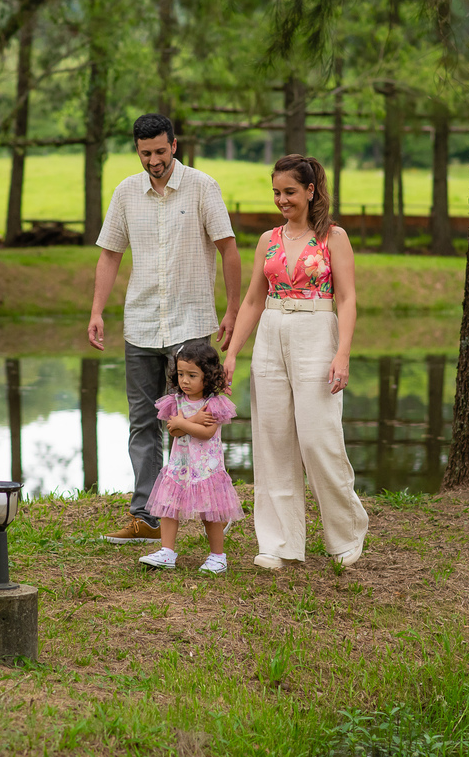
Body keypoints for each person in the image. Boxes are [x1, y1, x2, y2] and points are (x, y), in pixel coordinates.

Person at [89, 113, 241, 544]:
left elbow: (228, 249)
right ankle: (146, 516)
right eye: (145, 153)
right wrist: (97, 311)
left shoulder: (202, 187)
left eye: (159, 151)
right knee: (142, 421)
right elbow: (109, 255)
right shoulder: (125, 193)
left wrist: (231, 309)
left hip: (189, 324)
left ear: (174, 144)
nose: (153, 160)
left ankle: (209, 510)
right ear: (136, 150)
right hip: (140, 324)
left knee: (196, 417)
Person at [222, 154, 368, 569]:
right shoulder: (268, 240)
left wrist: (343, 352)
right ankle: (280, 543)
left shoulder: (333, 238)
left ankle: (346, 533)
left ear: (310, 190)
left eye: (289, 192)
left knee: (318, 439)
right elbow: (252, 300)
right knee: (272, 440)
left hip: (316, 332)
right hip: (271, 332)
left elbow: (348, 298)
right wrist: (233, 353)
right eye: (276, 193)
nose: (281, 200)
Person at [137, 342, 243, 574]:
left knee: (211, 514)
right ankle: (167, 552)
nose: (185, 380)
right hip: (179, 467)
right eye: (181, 374)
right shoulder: (175, 401)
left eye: (192, 375)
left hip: (206, 469)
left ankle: (218, 557)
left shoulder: (213, 404)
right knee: (168, 509)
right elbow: (173, 431)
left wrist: (186, 422)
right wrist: (189, 422)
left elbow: (206, 433)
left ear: (209, 376)